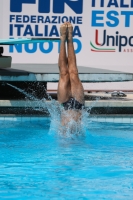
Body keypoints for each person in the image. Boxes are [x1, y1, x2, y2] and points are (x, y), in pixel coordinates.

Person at [57, 22, 85, 127]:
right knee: (74, 73)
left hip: (64, 104)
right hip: (79, 105)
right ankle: (70, 37)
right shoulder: (78, 140)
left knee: (64, 74)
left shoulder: (62, 139)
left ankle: (63, 38)